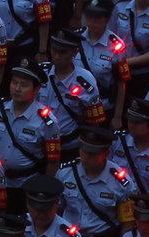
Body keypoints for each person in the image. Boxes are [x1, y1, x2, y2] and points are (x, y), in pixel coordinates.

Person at [0, 58, 61, 212]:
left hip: (25, 185)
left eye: (24, 85)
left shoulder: (46, 121)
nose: (17, 88)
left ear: (36, 89)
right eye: (14, 82)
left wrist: (42, 189)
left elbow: (53, 161)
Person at [58, 126, 136, 237]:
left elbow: (127, 223)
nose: (86, 157)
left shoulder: (121, 183)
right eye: (83, 150)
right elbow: (58, 209)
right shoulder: (65, 173)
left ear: (106, 153)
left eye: (92, 154)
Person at [39, 28, 106, 159]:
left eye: (63, 52)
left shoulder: (85, 80)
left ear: (74, 52)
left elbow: (94, 122)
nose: (57, 56)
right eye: (54, 50)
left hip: (69, 147)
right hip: (38, 145)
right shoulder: (41, 73)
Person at [74, 0, 130, 131]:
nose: (92, 21)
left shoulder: (116, 46)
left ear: (107, 19)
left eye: (97, 18)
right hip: (76, 106)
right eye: (89, 16)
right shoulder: (76, 38)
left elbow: (121, 83)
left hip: (102, 107)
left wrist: (117, 116)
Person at [109, 0, 149, 98]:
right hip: (116, 70)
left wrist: (127, 62)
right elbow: (109, 35)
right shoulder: (120, 7)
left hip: (141, 74)